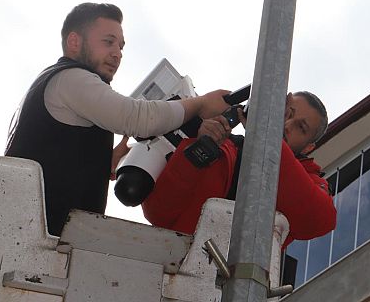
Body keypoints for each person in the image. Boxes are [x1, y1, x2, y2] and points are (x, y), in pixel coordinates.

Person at [5, 2, 231, 236]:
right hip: (38, 237)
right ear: (74, 42)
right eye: (108, 42)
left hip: (30, 235)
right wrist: (201, 103)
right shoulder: (71, 79)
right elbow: (137, 118)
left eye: (121, 46)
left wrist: (105, 159)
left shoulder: (50, 83)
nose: (117, 53)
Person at [142, 92, 337, 247]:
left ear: (308, 148)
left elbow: (317, 221)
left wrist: (268, 138)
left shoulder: (311, 182)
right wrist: (198, 148)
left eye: (300, 127)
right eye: (287, 113)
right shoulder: (223, 148)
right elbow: (158, 213)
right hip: (174, 270)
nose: (286, 125)